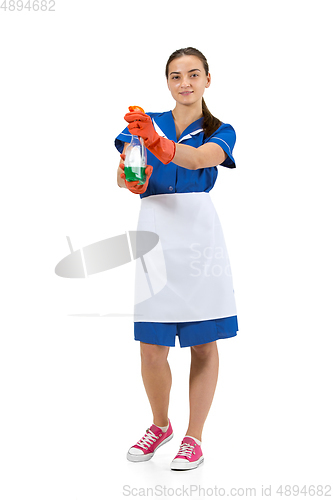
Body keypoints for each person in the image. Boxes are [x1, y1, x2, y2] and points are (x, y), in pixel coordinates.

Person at [115, 47, 238, 471]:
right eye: (175, 76)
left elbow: (203, 159)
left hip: (199, 233)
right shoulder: (145, 124)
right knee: (152, 346)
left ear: (207, 79)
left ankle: (194, 437)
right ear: (167, 82)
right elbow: (124, 172)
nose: (184, 82)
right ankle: (160, 425)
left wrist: (161, 146)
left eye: (193, 74)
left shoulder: (220, 129)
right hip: (155, 232)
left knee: (204, 343)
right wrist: (133, 177)